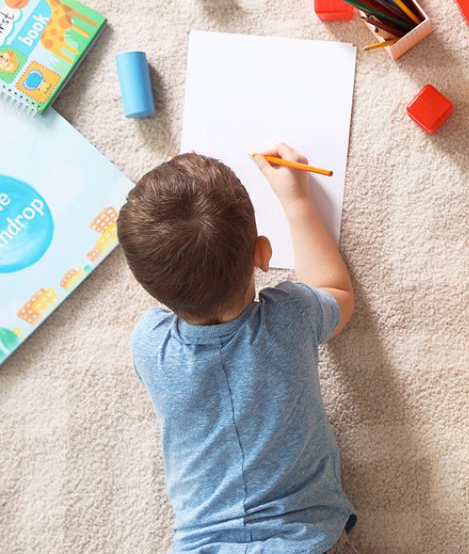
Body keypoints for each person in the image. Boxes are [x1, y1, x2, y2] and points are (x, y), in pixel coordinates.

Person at [117, 145, 359, 554]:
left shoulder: (148, 344)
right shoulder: (292, 317)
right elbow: (337, 292)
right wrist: (295, 197)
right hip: (305, 541)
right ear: (263, 255)